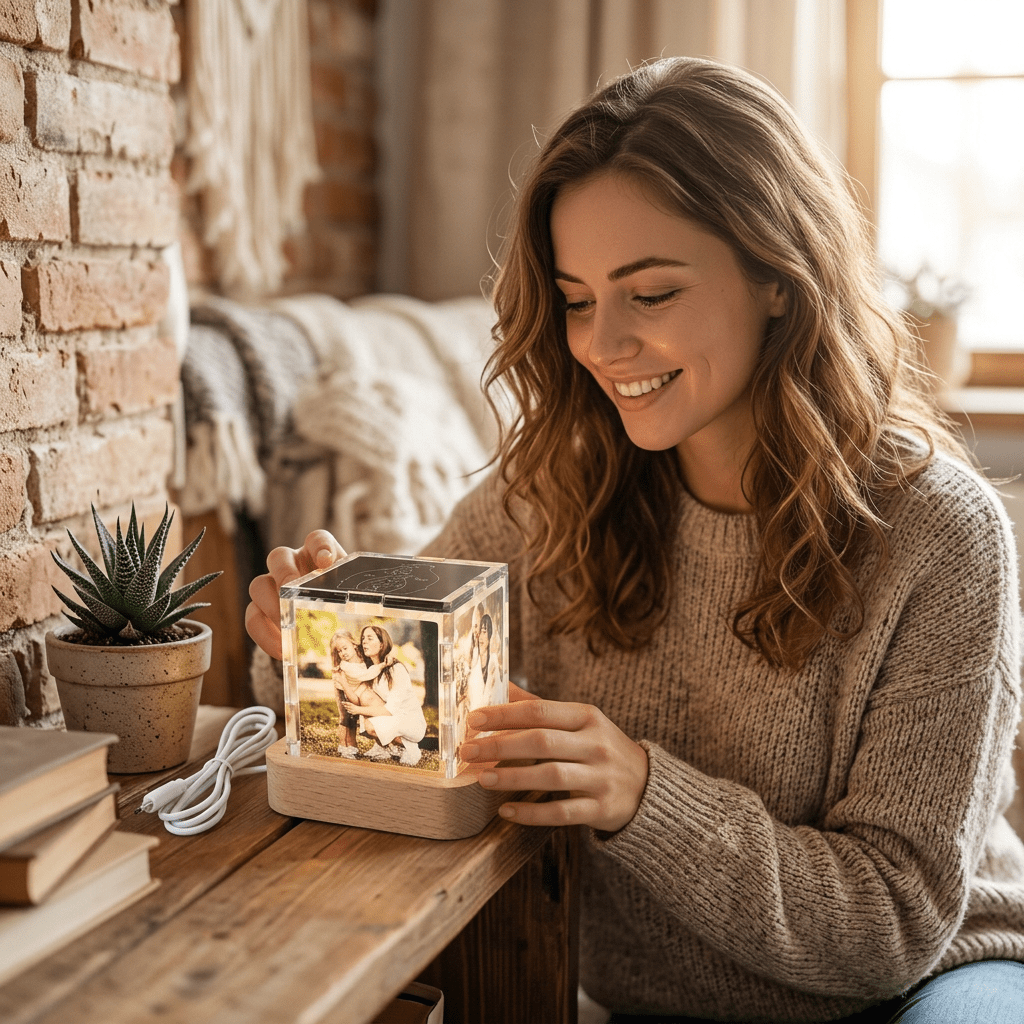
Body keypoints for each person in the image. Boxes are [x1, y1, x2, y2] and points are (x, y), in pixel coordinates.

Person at [246, 57, 1024, 1022]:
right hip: (650, 1001)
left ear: (778, 278)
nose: (601, 345)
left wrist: (644, 793)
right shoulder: (549, 496)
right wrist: (312, 650)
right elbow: (412, 711)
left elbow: (893, 923)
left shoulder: (941, 536)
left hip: (932, 982)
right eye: (576, 299)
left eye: (649, 294)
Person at [339, 624, 427, 768]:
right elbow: (358, 699)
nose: (364, 642)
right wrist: (343, 682)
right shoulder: (372, 671)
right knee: (366, 697)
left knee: (370, 726)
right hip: (393, 718)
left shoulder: (395, 669)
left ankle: (410, 748)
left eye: (369, 638)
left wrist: (358, 710)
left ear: (381, 644)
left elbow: (389, 710)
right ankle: (383, 747)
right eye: (363, 638)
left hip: (410, 722)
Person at [328, 629, 396, 757]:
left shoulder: (362, 654)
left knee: (373, 715)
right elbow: (365, 674)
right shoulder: (345, 665)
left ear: (354, 645)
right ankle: (344, 746)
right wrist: (382, 666)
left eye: (345, 648)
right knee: (346, 719)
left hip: (362, 692)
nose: (343, 653)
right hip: (350, 693)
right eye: (339, 651)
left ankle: (381, 744)